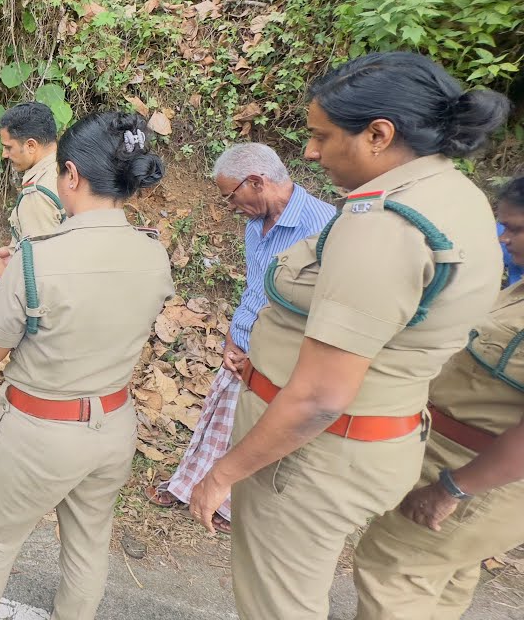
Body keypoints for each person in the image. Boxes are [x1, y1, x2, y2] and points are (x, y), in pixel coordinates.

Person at [187, 51, 509, 620]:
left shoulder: (385, 227)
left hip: (315, 457)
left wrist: (223, 474)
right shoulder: (455, 198)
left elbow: (318, 398)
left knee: (277, 605)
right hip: (377, 436)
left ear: (379, 135)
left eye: (322, 135)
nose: (309, 152)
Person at [0, 112, 174, 620]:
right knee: (90, 540)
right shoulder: (153, 253)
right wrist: (14, 274)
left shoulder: (38, 258)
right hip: (113, 425)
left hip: (40, 431)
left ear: (70, 175)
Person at [352, 176, 524, 620]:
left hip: (479, 474)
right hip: (456, 457)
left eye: (516, 229)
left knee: (392, 571)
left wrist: (454, 489)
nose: (505, 240)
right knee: (446, 577)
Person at [144, 144, 335, 532]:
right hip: (243, 342)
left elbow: (327, 309)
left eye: (230, 196)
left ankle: (232, 505)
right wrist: (233, 334)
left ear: (256, 182)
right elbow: (254, 287)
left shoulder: (324, 228)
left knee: (256, 428)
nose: (229, 206)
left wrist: (274, 352)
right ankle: (190, 486)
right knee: (221, 420)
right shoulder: (254, 223)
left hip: (283, 353)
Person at [0, 102, 64, 261]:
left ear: (31, 145)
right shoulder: (67, 166)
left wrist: (0, 272)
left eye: (8, 147)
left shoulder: (37, 195)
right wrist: (13, 252)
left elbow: (40, 272)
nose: (4, 154)